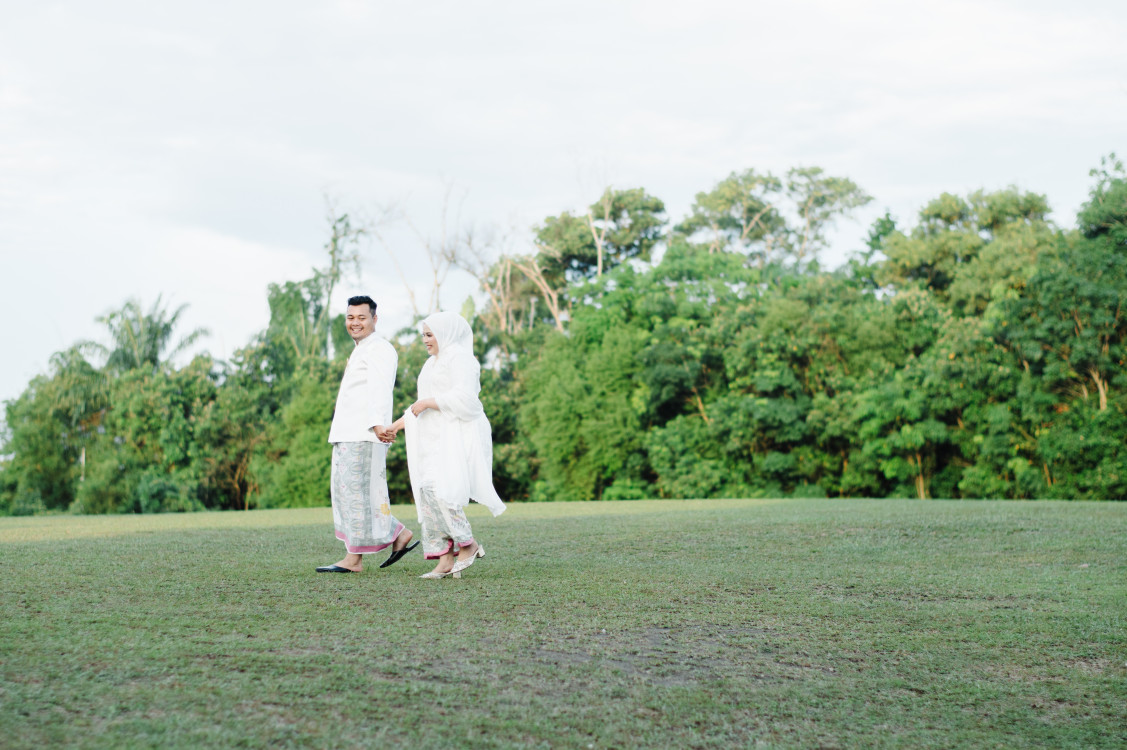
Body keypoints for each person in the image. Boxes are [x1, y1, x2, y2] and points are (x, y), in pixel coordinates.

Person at [387, 311, 505, 579]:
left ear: (445, 333)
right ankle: (444, 559)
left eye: (430, 334)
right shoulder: (430, 364)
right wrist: (396, 426)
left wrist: (429, 402)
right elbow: (419, 406)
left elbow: (468, 400)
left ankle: (468, 543)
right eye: (423, 335)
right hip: (429, 439)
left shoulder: (461, 359)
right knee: (427, 495)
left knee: (442, 491)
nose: (425, 340)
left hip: (453, 436)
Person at [316, 295, 418, 573]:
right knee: (348, 496)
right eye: (350, 317)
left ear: (374, 319)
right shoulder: (362, 349)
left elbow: (380, 388)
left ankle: (354, 560)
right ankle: (398, 534)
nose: (355, 322)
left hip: (363, 434)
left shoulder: (380, 348)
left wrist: (377, 424)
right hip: (348, 433)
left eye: (362, 317)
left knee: (357, 496)